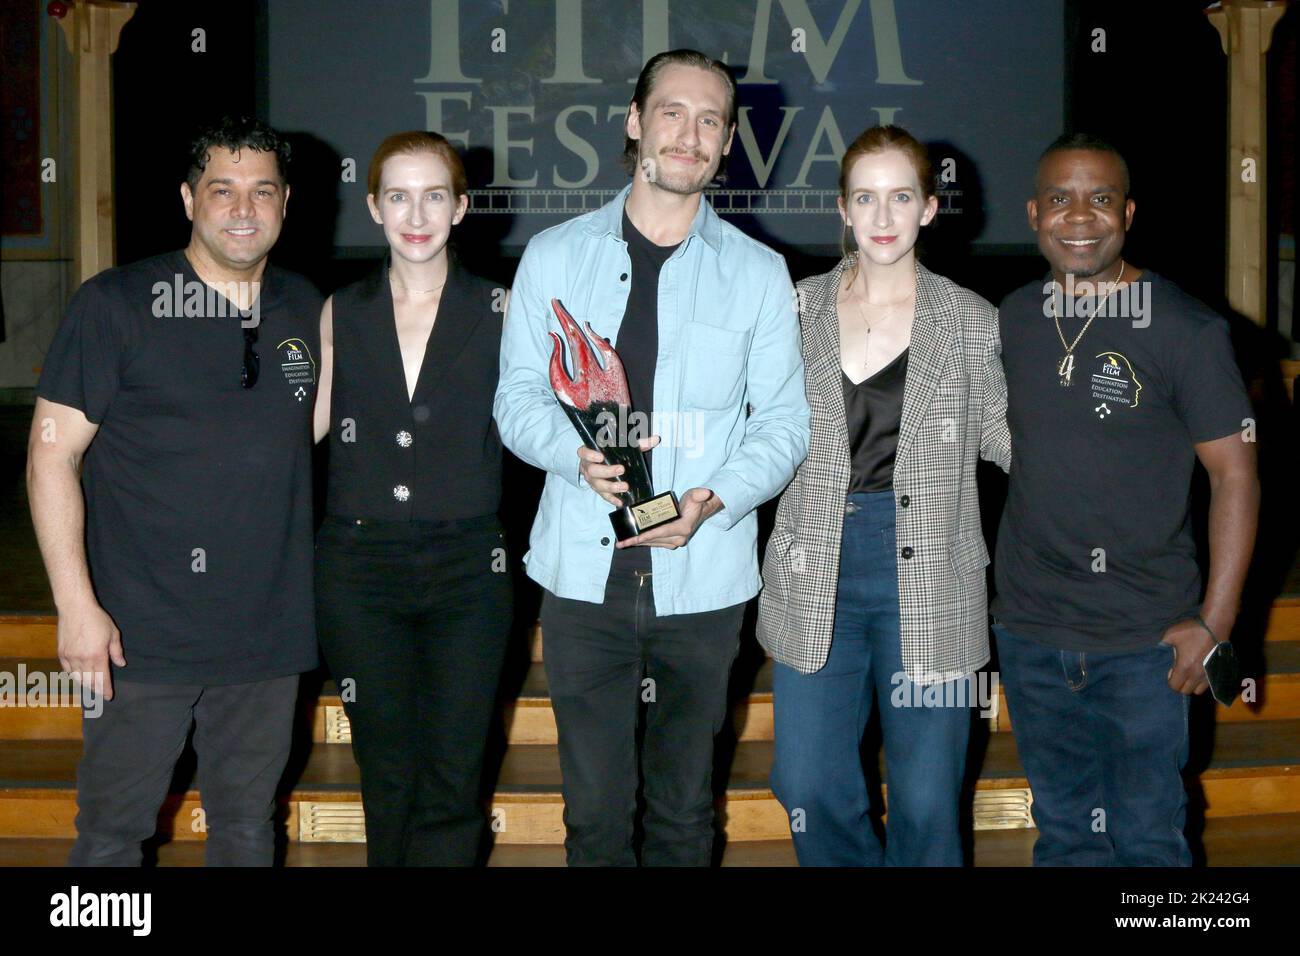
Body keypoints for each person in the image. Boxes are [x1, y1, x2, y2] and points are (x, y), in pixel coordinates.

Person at [494, 49, 810, 866]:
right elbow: (516, 401)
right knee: (594, 823)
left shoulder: (759, 273)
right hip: (581, 582)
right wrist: (574, 458)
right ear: (635, 123)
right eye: (672, 111)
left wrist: (713, 499)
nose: (690, 133)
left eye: (711, 119)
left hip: (703, 584)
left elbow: (782, 425)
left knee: (682, 818)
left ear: (728, 140)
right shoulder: (554, 257)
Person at [28, 117, 321, 866]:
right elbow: (50, 459)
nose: (243, 209)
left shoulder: (304, 306)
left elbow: (306, 431)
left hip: (267, 631)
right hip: (137, 634)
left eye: (262, 190)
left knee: (249, 829)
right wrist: (75, 607)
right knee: (110, 837)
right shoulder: (117, 304)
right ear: (189, 198)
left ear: (287, 202)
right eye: (222, 190)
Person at [992, 133, 1259, 866]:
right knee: (1067, 835)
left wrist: (1216, 621)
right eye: (1061, 199)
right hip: (1031, 629)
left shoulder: (1186, 329)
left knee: (1147, 841)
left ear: (1129, 213)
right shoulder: (1011, 318)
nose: (1080, 216)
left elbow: (1235, 476)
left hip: (1148, 640)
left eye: (1101, 198)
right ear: (1034, 212)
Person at [757, 126, 1011, 866]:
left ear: (930, 208)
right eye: (865, 197)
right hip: (817, 572)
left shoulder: (971, 320)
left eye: (901, 196)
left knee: (930, 801)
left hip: (932, 576)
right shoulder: (793, 310)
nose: (883, 214)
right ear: (843, 207)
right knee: (804, 782)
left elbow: (1008, 440)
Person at [312, 131, 512, 866]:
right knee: (387, 768)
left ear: (461, 207)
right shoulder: (341, 310)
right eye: (398, 195)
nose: (416, 212)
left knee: (455, 771)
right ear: (373, 207)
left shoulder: (501, 307)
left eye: (434, 195)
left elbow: (544, 422)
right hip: (358, 568)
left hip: (470, 569)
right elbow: (303, 427)